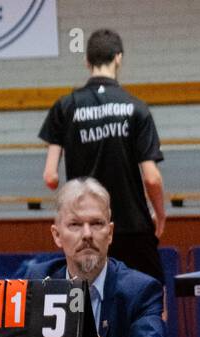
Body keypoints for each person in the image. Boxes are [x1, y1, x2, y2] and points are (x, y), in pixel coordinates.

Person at [39, 29, 167, 285]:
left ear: (87, 61)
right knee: (150, 299)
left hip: (86, 229)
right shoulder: (136, 108)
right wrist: (160, 215)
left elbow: (50, 177)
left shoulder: (66, 107)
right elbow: (152, 179)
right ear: (118, 58)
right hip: (133, 226)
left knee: (86, 301)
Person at [20, 178, 166, 337]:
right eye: (75, 224)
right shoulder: (38, 280)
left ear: (110, 233)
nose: (87, 234)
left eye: (97, 223)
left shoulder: (140, 289)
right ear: (57, 235)